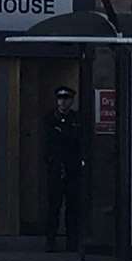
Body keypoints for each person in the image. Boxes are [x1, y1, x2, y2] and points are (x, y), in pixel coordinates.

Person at [44, 85, 83, 252]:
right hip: (56, 168)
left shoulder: (77, 119)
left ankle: (71, 241)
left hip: (72, 168)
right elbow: (47, 143)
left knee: (72, 208)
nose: (63, 102)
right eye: (60, 99)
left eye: (66, 99)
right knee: (53, 207)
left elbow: (80, 142)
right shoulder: (50, 119)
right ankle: (50, 241)